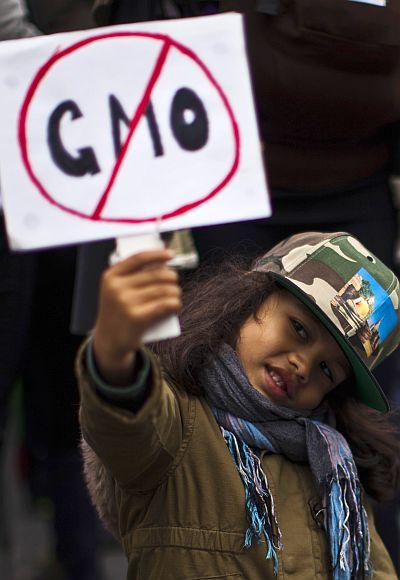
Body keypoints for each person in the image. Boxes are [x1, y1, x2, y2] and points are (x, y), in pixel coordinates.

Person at [78, 231, 400, 579]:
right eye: (299, 330)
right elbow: (126, 419)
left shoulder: (335, 469)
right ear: (249, 302)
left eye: (326, 369)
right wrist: (115, 353)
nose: (303, 366)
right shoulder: (177, 423)